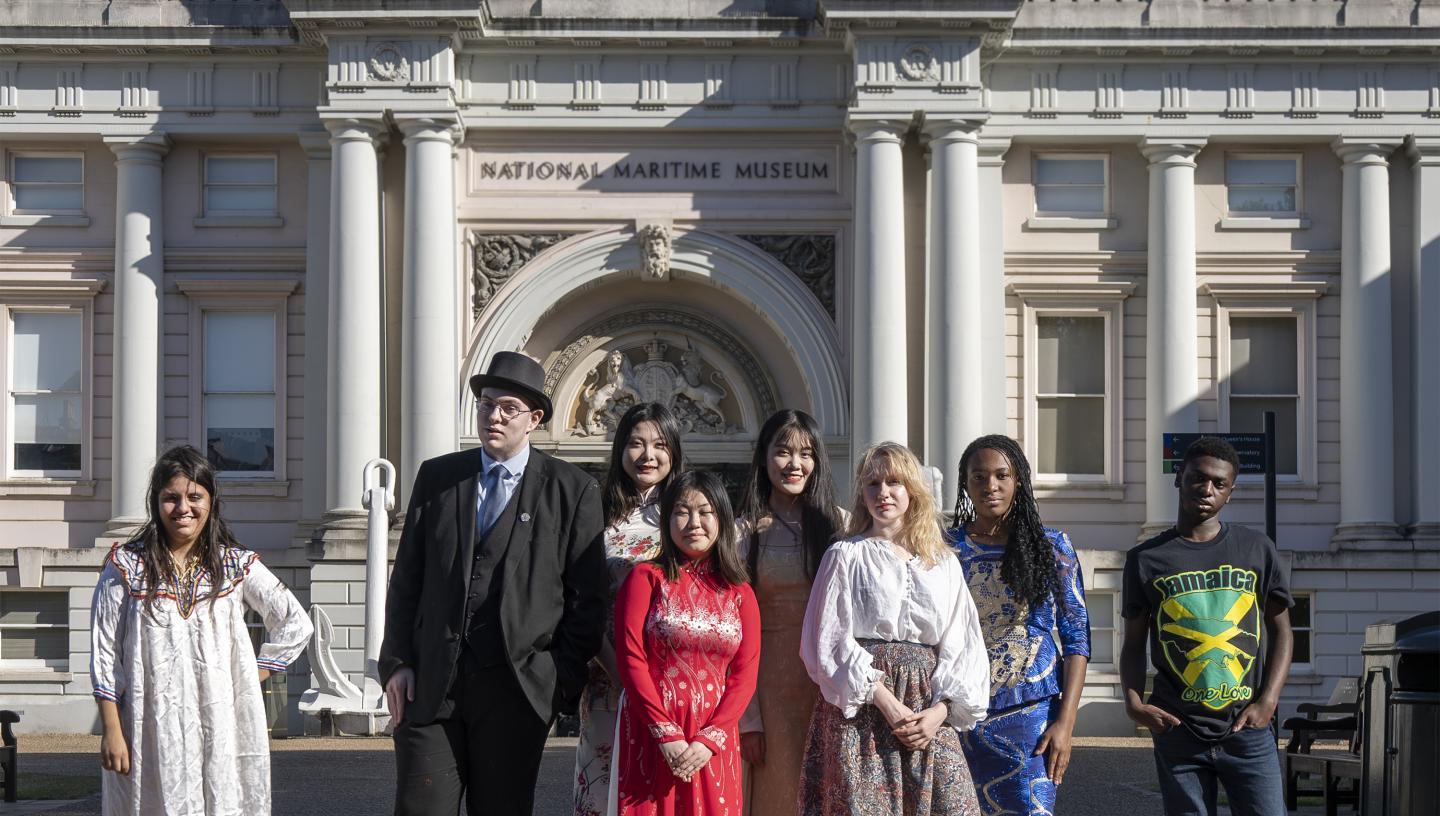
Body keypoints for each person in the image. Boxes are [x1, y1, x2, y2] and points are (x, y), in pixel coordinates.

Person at [380, 351, 608, 816]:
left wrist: (555, 680)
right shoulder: (438, 477)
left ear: (534, 418)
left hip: (517, 690)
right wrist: (399, 661)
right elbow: (407, 579)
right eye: (486, 405)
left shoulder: (572, 489)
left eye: (508, 408)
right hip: (431, 685)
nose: (494, 417)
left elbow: (588, 599)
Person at [89, 445, 312, 816]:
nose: (183, 508)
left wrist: (247, 675)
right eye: (170, 498)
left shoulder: (234, 564)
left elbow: (294, 621)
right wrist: (112, 729)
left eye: (195, 497)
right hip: (148, 724)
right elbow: (104, 652)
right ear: (155, 502)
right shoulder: (126, 567)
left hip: (220, 722)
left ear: (211, 502)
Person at [799, 442, 989, 816]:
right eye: (873, 484)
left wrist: (939, 713)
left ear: (912, 490)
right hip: (862, 709)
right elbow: (826, 639)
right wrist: (884, 699)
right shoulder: (846, 555)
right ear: (861, 493)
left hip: (928, 708)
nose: (883, 493)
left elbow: (962, 641)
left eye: (894, 482)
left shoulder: (942, 562)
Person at [1121, 437, 1293, 816]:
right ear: (1178, 478)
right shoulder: (1145, 559)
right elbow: (1134, 643)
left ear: (1230, 493)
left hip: (1247, 728)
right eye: (1198, 478)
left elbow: (1282, 630)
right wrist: (1133, 702)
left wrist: (1268, 701)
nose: (1207, 489)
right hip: (1177, 729)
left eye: (1219, 483)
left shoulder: (1257, 549)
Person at [948, 435, 1090, 815]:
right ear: (965, 483)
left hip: (1031, 712)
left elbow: (1077, 637)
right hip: (960, 708)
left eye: (1001, 476)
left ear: (1019, 482)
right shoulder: (946, 547)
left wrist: (1066, 723)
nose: (989, 486)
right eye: (978, 477)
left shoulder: (1052, 545)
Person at [611, 470, 761, 815]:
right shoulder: (645, 578)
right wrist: (666, 733)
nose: (694, 522)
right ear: (667, 520)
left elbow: (744, 676)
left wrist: (710, 740)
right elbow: (631, 659)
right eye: (682, 511)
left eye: (705, 511)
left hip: (713, 739)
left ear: (722, 518)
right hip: (651, 731)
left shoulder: (741, 593)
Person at [573, 402, 685, 816]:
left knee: (662, 792)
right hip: (609, 676)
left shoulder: (686, 514)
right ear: (620, 450)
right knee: (604, 787)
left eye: (659, 444)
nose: (647, 455)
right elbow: (582, 601)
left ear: (673, 451)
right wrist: (616, 669)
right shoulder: (595, 514)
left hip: (674, 682)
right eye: (636, 443)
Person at [735, 409, 845, 816]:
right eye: (783, 452)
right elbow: (734, 628)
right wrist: (749, 719)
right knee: (777, 794)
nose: (794, 464)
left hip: (829, 684)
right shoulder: (742, 532)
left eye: (806, 453)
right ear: (764, 457)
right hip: (767, 683)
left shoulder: (841, 526)